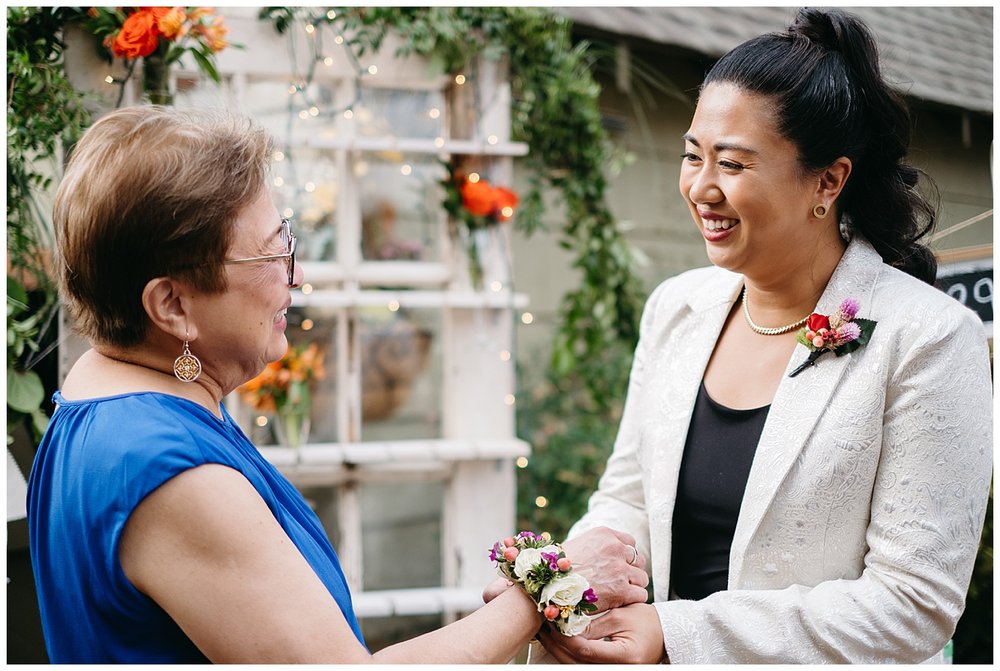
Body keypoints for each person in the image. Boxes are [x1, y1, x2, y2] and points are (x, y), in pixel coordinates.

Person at [25, 105, 650, 663]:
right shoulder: (168, 472)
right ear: (173, 306)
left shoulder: (98, 393)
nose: (293, 278)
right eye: (272, 253)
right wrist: (545, 589)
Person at [529, 7, 993, 664]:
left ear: (828, 181)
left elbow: (912, 601)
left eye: (734, 164)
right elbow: (627, 496)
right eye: (693, 156)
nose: (702, 188)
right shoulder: (676, 308)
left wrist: (677, 633)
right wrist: (566, 585)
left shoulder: (929, 337)